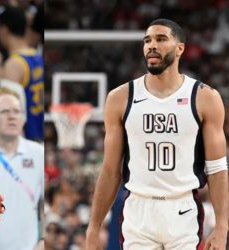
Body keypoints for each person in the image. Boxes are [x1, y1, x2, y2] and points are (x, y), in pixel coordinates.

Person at [86, 18, 228, 250]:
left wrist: (222, 226)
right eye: (147, 40)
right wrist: (94, 226)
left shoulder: (204, 97)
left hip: (182, 209)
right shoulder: (120, 98)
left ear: (179, 48)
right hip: (138, 209)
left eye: (161, 39)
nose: (152, 45)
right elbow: (111, 169)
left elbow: (217, 168)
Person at [0, 87, 44, 250]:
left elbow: (45, 203)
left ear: (24, 118)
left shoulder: (38, 153)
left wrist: (44, 240)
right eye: (4, 111)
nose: (12, 116)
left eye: (17, 111)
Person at [0, 6, 44, 141]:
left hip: (27, 137)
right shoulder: (38, 56)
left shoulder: (13, 64)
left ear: (3, 30)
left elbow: (9, 108)